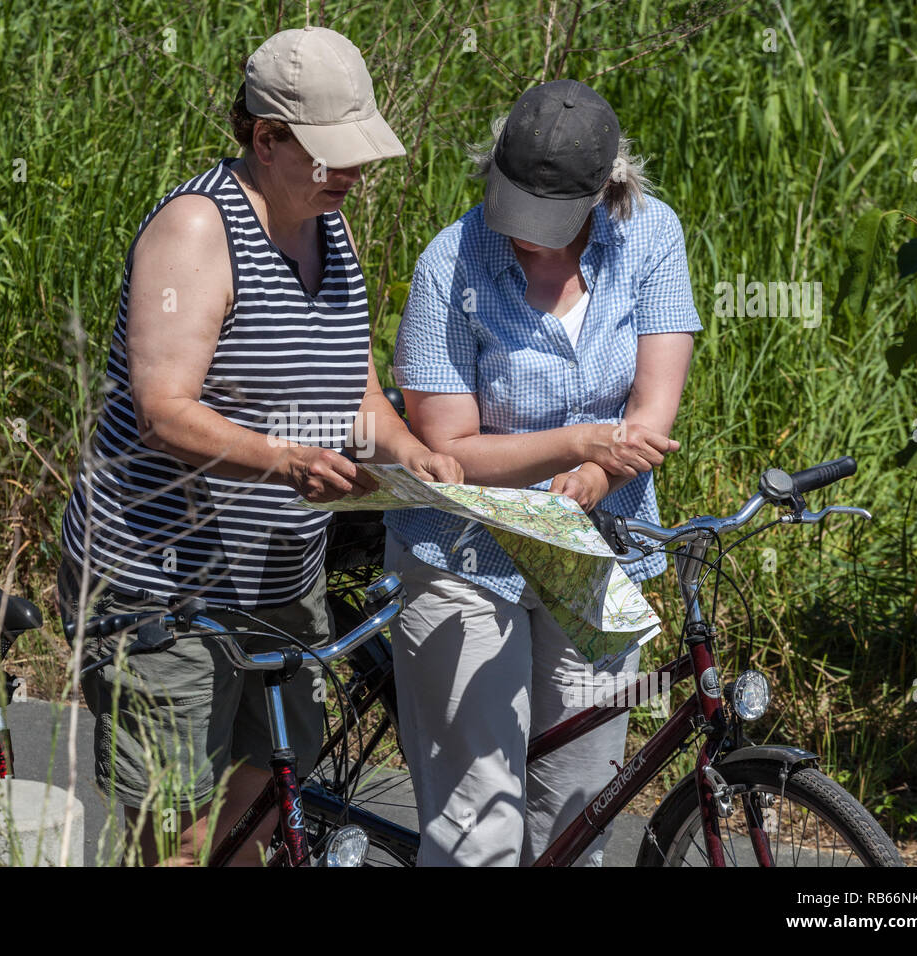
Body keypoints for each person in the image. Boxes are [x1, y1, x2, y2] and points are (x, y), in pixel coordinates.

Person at [57, 26, 462, 866]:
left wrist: (409, 452)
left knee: (264, 806)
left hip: (279, 577)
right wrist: (284, 458)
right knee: (179, 834)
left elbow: (358, 396)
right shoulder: (197, 231)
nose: (351, 173)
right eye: (330, 154)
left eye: (358, 153)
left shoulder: (331, 229)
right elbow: (165, 409)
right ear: (266, 136)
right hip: (165, 589)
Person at [383, 79, 701, 866]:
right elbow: (447, 452)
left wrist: (597, 475)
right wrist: (579, 445)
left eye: (549, 219)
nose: (527, 236)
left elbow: (654, 403)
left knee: (580, 811)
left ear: (607, 189)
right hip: (463, 554)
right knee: (480, 823)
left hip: (594, 546)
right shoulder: (449, 263)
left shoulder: (651, 236)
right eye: (513, 208)